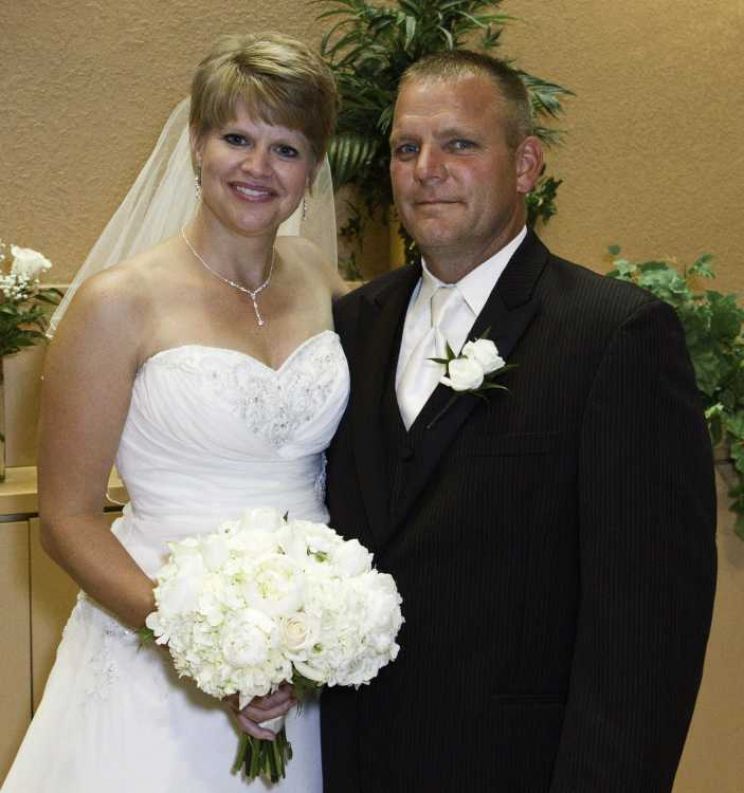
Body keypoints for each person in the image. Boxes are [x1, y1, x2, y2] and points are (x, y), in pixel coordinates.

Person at [322, 50, 717, 792]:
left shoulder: (615, 335)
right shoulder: (350, 325)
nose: (427, 169)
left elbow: (648, 624)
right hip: (353, 761)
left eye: (459, 143)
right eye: (406, 148)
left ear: (527, 164)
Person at [3, 32, 346, 793]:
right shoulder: (117, 301)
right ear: (196, 144)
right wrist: (204, 651)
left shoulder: (321, 276)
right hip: (160, 642)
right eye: (236, 138)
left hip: (304, 642)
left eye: (286, 149)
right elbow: (67, 519)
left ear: (312, 169)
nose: (258, 168)